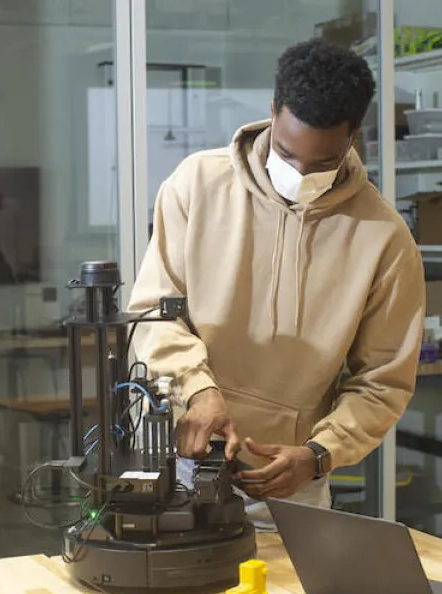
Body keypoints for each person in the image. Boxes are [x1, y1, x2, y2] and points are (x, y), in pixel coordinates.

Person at [127, 38, 425, 524]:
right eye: (287, 154)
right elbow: (150, 316)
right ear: (272, 111)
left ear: (353, 137)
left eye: (322, 163)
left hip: (288, 482)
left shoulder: (384, 238)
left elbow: (382, 383)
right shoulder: (196, 186)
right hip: (179, 455)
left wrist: (319, 454)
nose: (300, 173)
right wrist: (198, 388)